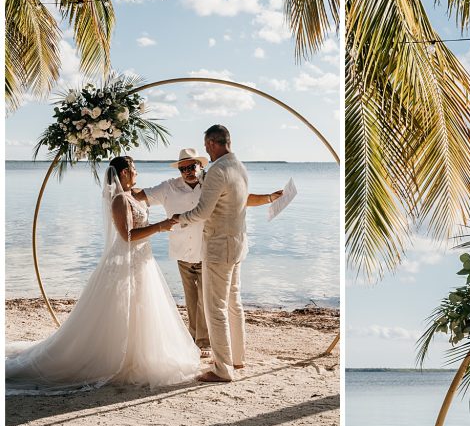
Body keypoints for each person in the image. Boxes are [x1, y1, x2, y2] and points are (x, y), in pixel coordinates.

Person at [5, 156, 202, 394]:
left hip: (143, 260)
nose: (137, 173)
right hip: (127, 260)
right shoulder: (119, 200)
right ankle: (117, 357)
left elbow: (157, 195)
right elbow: (126, 236)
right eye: (133, 169)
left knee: (143, 307)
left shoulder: (131, 195)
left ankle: (137, 353)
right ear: (123, 174)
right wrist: (161, 226)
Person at [134, 147, 284, 359]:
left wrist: (269, 197)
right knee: (191, 300)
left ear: (201, 165)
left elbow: (243, 198)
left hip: (207, 251)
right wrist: (120, 188)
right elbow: (141, 195)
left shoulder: (212, 182)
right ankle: (194, 340)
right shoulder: (168, 187)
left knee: (207, 301)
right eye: (183, 168)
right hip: (182, 252)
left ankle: (204, 342)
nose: (188, 171)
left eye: (192, 166)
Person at [171, 125, 250, 383]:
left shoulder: (218, 171)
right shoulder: (239, 167)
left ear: (213, 144)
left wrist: (180, 218)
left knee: (215, 307)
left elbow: (203, 212)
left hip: (218, 246)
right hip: (238, 244)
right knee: (233, 303)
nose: (207, 150)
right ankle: (237, 358)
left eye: (207, 146)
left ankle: (222, 368)